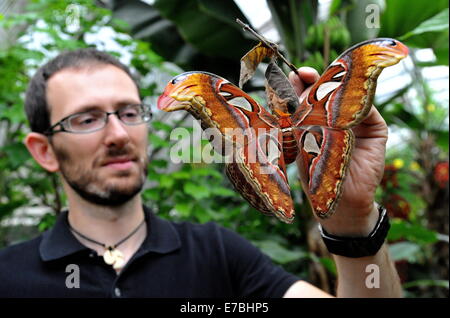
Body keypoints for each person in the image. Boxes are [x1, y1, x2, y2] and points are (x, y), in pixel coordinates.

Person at [0, 48, 402, 298]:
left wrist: (352, 221)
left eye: (128, 112)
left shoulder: (220, 255)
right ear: (43, 151)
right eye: (87, 119)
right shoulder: (8, 278)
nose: (118, 134)